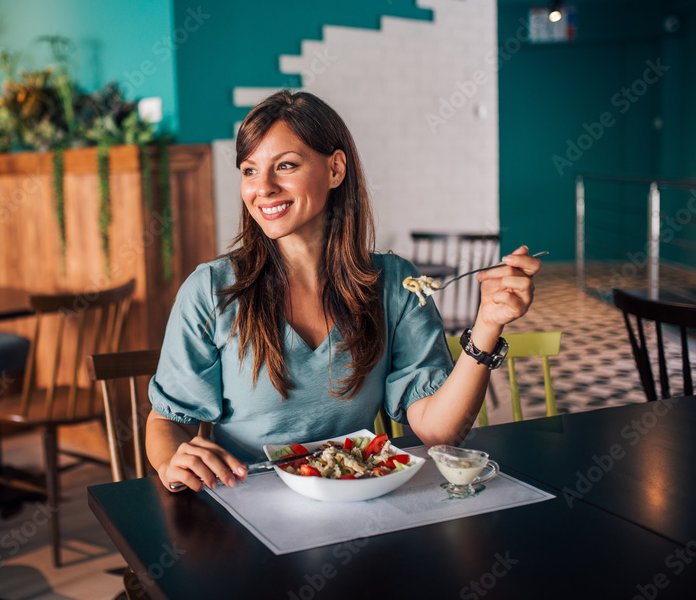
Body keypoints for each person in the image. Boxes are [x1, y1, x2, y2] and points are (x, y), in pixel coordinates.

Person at [146, 90, 540, 492]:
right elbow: (169, 420)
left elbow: (440, 433)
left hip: (357, 499)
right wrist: (171, 461)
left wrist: (488, 324)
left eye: (285, 165)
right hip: (243, 498)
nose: (262, 187)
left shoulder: (393, 284)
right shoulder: (212, 290)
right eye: (249, 170)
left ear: (335, 169)